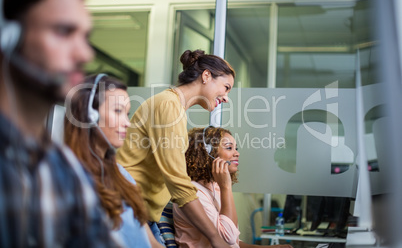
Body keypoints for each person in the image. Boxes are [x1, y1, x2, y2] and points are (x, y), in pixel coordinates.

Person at [0, 0, 117, 247]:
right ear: (7, 37)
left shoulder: (65, 168)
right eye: (64, 32)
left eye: (85, 37)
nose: (85, 53)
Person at [117, 49, 235, 247]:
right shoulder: (168, 106)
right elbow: (178, 183)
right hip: (126, 211)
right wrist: (216, 238)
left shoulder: (174, 108)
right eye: (226, 87)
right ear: (206, 76)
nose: (226, 97)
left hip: (140, 214)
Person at [64, 74, 164, 248]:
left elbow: (151, 242)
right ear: (89, 115)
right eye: (118, 111)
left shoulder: (122, 175)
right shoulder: (68, 177)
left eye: (127, 113)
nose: (127, 123)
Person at [173, 127, 293, 248]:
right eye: (229, 148)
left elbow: (234, 243)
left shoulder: (215, 188)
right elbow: (228, 238)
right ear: (207, 153)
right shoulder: (194, 192)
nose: (237, 153)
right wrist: (226, 187)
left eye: (236, 148)